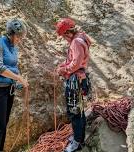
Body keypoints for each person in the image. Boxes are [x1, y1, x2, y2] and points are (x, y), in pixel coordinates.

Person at [0, 18, 29, 152]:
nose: (20, 40)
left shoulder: (13, 47)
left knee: (4, 126)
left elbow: (13, 66)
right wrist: (19, 78)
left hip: (9, 89)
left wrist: (17, 81)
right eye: (19, 37)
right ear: (11, 33)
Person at [55, 18, 92, 152]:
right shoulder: (81, 37)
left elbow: (75, 64)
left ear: (67, 33)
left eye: (64, 36)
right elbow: (77, 60)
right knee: (79, 110)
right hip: (80, 78)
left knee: (74, 112)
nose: (65, 39)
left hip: (75, 81)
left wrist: (63, 69)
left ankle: (77, 143)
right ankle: (79, 136)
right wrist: (65, 64)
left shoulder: (76, 42)